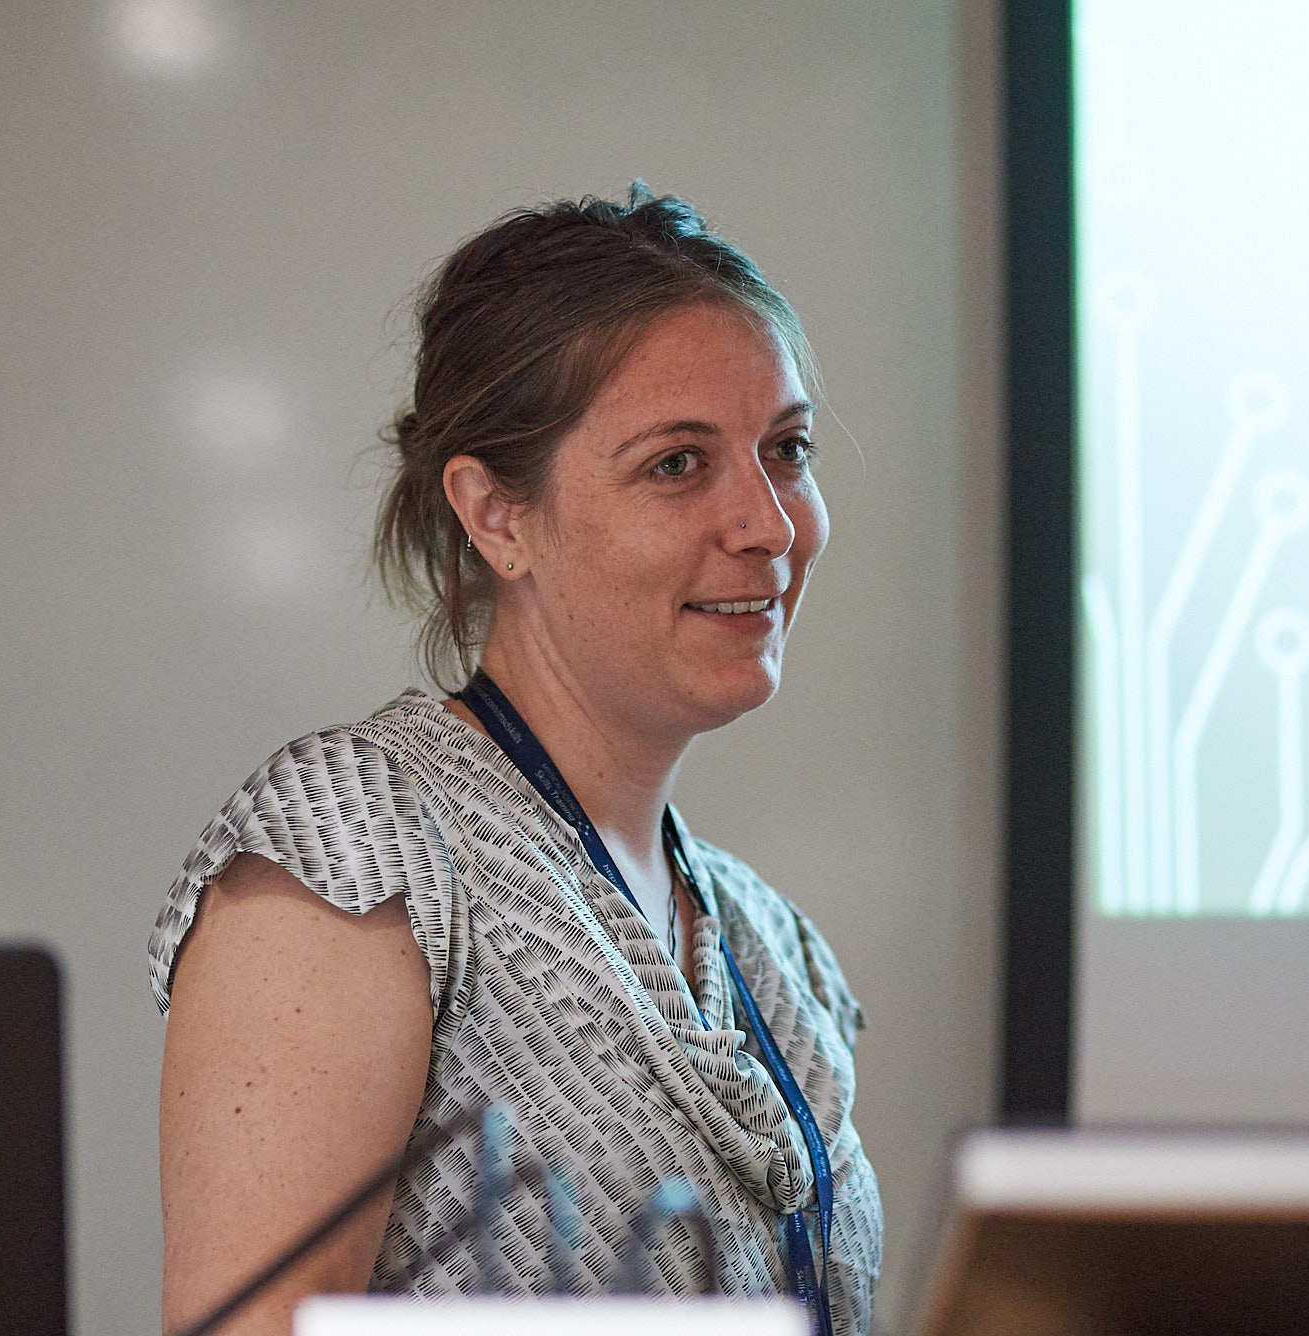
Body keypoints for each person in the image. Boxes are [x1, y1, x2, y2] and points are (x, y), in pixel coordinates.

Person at [150, 187, 881, 1336]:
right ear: (496, 514)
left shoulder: (769, 943)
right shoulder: (356, 840)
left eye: (784, 450)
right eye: (677, 465)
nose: (770, 524)